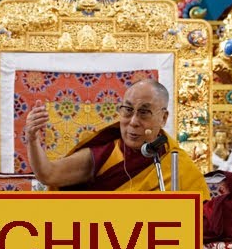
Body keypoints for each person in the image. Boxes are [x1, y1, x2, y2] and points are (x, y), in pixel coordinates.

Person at [22, 79, 209, 198]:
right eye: (127, 110)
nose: (133, 122)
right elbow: (49, 174)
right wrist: (32, 139)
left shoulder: (177, 164)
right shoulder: (108, 153)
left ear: (163, 118)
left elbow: (199, 220)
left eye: (144, 113)